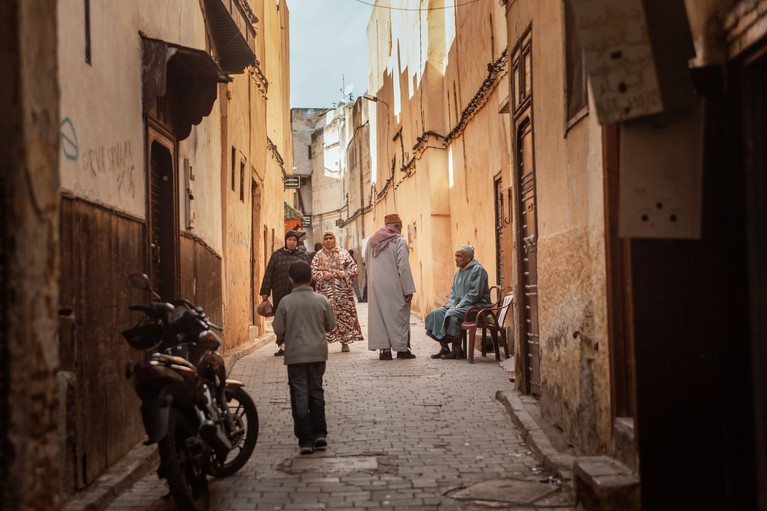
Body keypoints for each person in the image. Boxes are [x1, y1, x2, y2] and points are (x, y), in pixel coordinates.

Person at [272, 261, 336, 455]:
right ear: (310, 278)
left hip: (295, 356)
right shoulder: (321, 300)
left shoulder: (285, 302)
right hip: (317, 354)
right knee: (316, 391)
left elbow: (278, 329)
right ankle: (320, 434)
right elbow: (331, 326)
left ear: (290, 279)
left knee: (299, 394)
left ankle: (305, 440)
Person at [425, 245, 492, 359]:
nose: (456, 258)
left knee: (452, 314)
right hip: (459, 306)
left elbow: (475, 294)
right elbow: (453, 293)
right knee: (435, 314)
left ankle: (457, 350)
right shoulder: (458, 273)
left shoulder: (478, 270)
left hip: (477, 307)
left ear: (468, 258)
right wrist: (452, 305)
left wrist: (458, 306)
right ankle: (445, 348)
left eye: (459, 256)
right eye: (455, 256)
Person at [366, 213, 416, 360]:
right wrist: (408, 289)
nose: (400, 229)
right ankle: (402, 350)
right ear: (396, 226)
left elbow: (367, 263)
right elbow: (404, 267)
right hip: (394, 286)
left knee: (380, 317)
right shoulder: (398, 241)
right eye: (399, 226)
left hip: (376, 287)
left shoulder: (371, 241)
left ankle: (385, 351)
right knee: (398, 316)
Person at [259, 230, 312, 356]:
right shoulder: (277, 255)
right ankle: (282, 345)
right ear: (286, 240)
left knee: (297, 318)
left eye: (294, 240)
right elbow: (269, 273)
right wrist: (265, 292)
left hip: (299, 293)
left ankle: (298, 345)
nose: (292, 242)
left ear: (297, 242)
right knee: (281, 319)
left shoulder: (303, 256)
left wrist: (311, 290)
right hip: (280, 292)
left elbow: (310, 274)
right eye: (289, 240)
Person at [310, 230, 364, 352]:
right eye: (326, 238)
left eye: (331, 238)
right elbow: (312, 271)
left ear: (334, 239)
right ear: (323, 241)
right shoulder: (318, 256)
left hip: (343, 294)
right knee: (323, 317)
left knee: (343, 317)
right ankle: (322, 343)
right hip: (325, 294)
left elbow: (354, 269)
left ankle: (345, 342)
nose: (328, 240)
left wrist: (344, 273)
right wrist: (323, 274)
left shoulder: (344, 253)